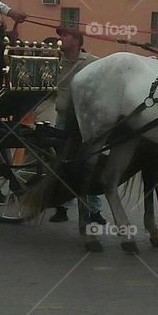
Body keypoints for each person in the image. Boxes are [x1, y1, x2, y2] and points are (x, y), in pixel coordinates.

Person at [49, 26, 106, 225]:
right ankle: (61, 207)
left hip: (85, 122)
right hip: (62, 119)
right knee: (61, 162)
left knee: (87, 163)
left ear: (76, 41)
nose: (61, 39)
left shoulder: (92, 62)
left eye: (65, 35)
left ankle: (95, 210)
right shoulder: (56, 62)